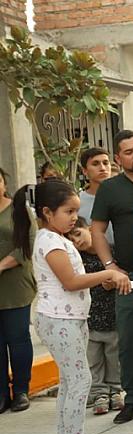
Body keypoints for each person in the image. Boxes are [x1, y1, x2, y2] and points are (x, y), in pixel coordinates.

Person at [12, 180, 130, 434]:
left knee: (71, 381)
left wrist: (100, 279)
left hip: (70, 319)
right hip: (59, 320)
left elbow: (75, 281)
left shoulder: (57, 238)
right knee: (80, 381)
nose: (74, 216)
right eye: (68, 211)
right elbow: (70, 281)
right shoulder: (50, 241)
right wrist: (108, 274)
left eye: (76, 210)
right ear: (47, 212)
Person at [91, 130, 133, 424]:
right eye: (129, 152)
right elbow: (96, 230)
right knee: (129, 340)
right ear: (118, 159)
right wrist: (110, 265)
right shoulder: (110, 189)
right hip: (128, 277)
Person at [66, 218, 123, 415]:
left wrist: (113, 283)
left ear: (89, 229)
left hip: (113, 314)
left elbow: (123, 276)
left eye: (78, 234)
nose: (77, 242)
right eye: (71, 240)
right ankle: (99, 393)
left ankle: (115, 391)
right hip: (89, 316)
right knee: (93, 358)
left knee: (113, 356)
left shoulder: (110, 252)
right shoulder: (76, 259)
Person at [0, 167, 36, 413]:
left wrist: (1, 266)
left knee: (18, 338)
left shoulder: (19, 209)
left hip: (15, 284)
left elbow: (27, 244)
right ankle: (2, 394)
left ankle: (21, 390)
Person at [78, 147, 115, 247]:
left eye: (106, 163)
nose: (102, 168)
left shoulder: (124, 195)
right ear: (85, 171)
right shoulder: (77, 202)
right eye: (95, 164)